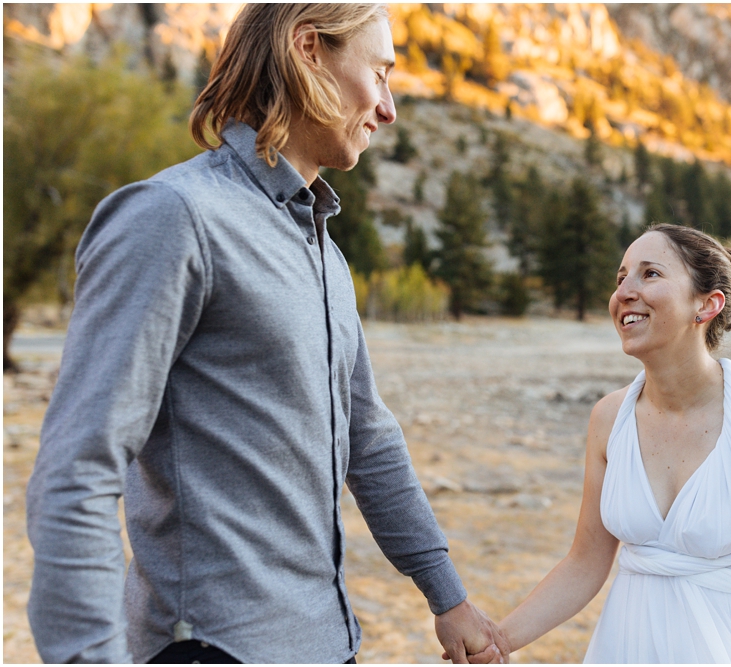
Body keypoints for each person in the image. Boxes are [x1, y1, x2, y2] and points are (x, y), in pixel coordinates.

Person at [25, 4, 506, 664]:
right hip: (215, 648)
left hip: (327, 644)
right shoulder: (175, 217)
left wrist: (446, 595)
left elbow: (367, 435)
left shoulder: (322, 251)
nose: (389, 108)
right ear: (309, 49)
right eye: (380, 72)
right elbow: (77, 464)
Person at [489, 224, 731, 663]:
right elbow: (585, 563)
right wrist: (497, 641)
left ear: (707, 305)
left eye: (650, 274)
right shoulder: (609, 418)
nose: (625, 292)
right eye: (620, 278)